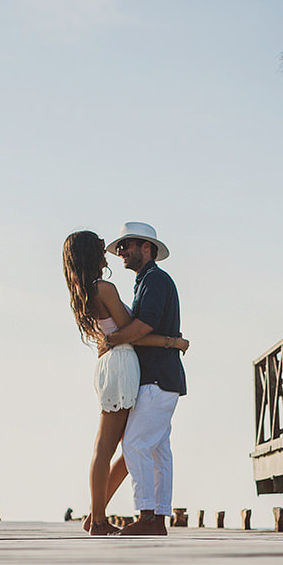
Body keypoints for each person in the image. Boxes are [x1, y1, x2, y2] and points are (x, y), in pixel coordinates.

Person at [62, 229, 188, 535]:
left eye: (120, 247)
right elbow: (134, 330)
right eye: (103, 249)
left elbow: (119, 335)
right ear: (92, 255)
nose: (111, 253)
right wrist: (173, 342)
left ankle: (99, 515)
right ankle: (103, 520)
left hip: (113, 366)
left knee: (127, 445)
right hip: (121, 367)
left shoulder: (82, 292)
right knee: (117, 446)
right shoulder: (104, 288)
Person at [100, 221, 185, 537]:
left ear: (146, 248)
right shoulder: (150, 281)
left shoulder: (153, 280)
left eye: (127, 245)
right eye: (120, 247)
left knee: (135, 443)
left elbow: (144, 326)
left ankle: (148, 514)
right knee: (158, 450)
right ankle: (158, 517)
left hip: (157, 379)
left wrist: (112, 340)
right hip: (164, 378)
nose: (121, 251)